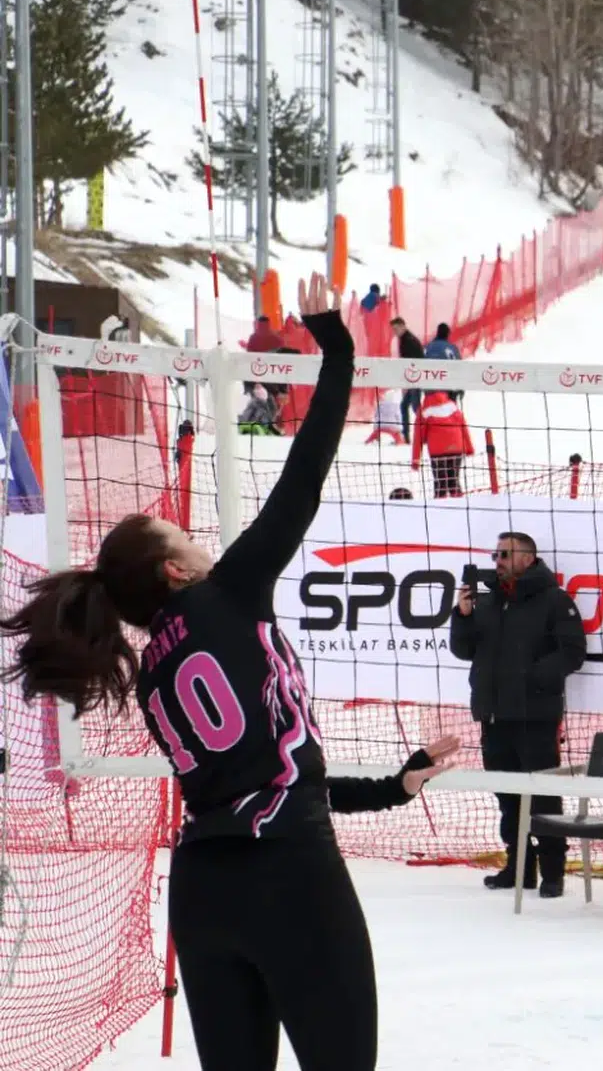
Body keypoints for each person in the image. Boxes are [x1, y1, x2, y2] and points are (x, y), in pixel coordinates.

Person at [0, 272, 463, 1071]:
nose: (197, 536)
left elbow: (254, 782)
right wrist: (337, 343)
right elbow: (305, 476)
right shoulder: (231, 593)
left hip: (206, 889)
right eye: (181, 532)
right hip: (291, 879)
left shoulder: (152, 673)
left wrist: (394, 785)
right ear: (176, 572)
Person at [449, 531, 586, 897]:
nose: (498, 561)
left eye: (505, 554)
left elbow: (573, 652)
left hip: (535, 717)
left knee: (544, 796)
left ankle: (553, 871)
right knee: (506, 797)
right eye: (496, 554)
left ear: (528, 558)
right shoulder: (489, 602)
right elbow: (463, 651)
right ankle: (520, 867)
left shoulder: (554, 601)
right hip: (494, 717)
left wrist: (531, 678)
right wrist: (462, 615)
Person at [411, 389, 474, 496]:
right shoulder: (452, 406)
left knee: (440, 483)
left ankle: (440, 505)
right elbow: (463, 427)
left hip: (437, 451)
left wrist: (416, 460)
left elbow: (418, 437)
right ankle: (459, 502)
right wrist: (469, 448)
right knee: (454, 480)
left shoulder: (423, 410)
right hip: (456, 447)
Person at [390, 316, 425, 443]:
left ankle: (423, 434)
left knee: (415, 407)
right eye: (393, 329)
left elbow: (409, 364)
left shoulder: (408, 341)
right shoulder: (406, 339)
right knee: (407, 406)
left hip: (415, 378)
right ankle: (408, 436)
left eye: (396, 329)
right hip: (414, 378)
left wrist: (407, 384)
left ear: (403, 326)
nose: (395, 332)